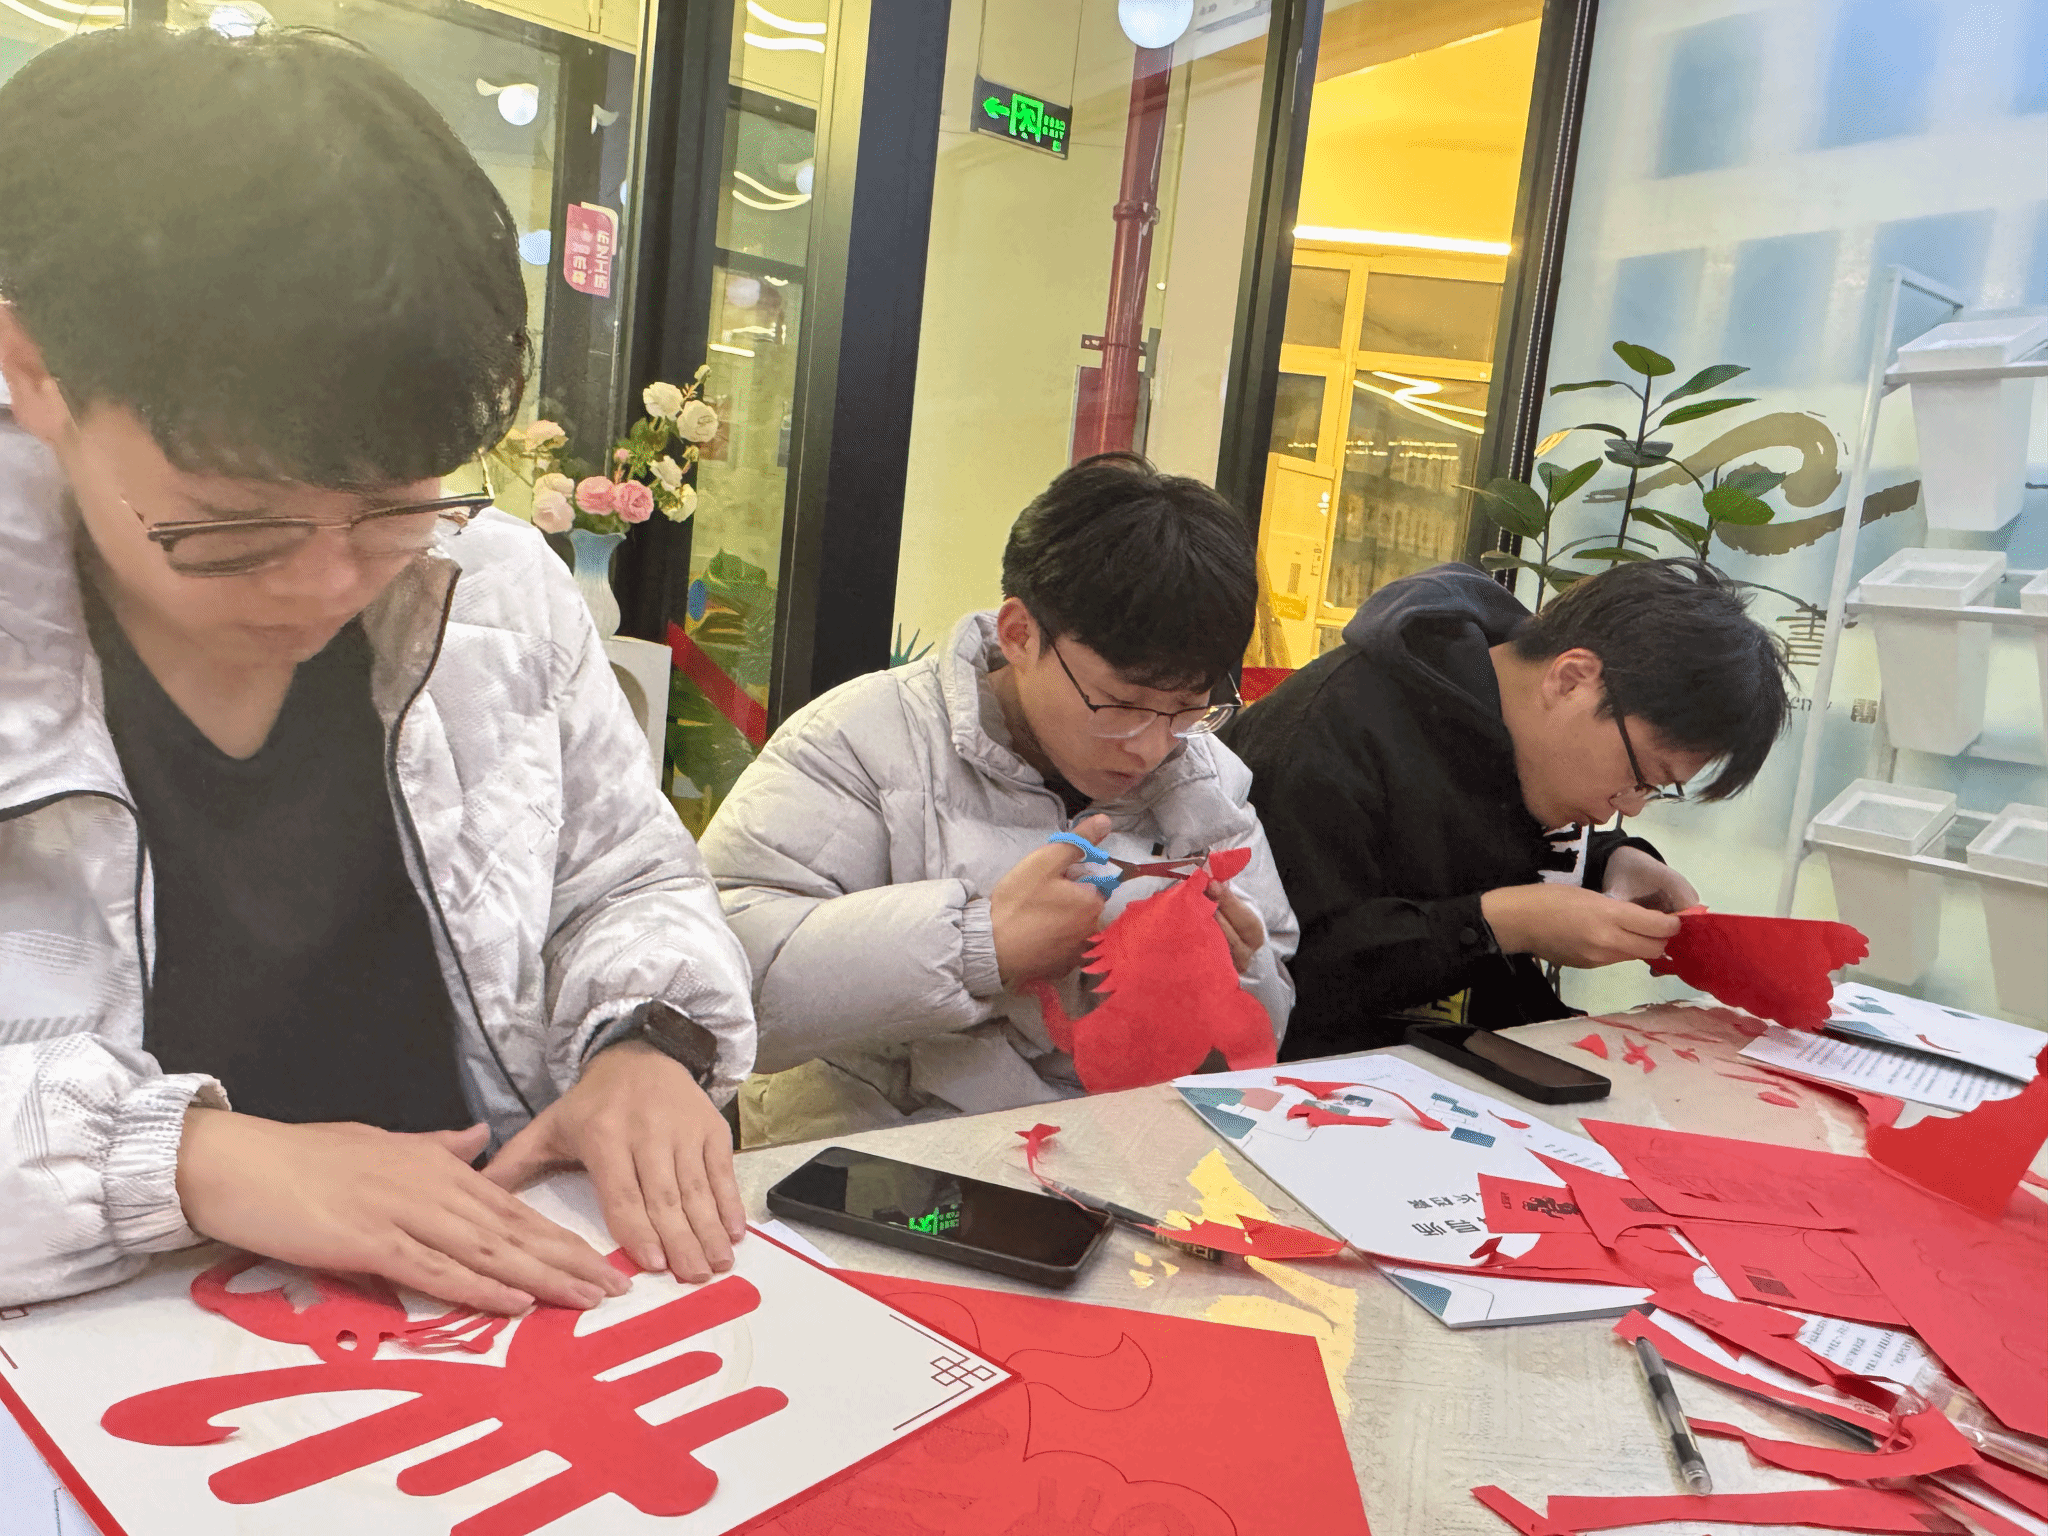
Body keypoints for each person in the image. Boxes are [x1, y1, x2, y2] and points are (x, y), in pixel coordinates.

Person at [0, 26, 757, 1313]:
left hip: (481, 1321)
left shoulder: (492, 591)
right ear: (34, 371)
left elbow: (624, 882)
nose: (326, 582)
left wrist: (647, 1043)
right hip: (98, 1350)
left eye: (393, 504)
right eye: (235, 526)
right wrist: (185, 1161)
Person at [701, 454, 1297, 1145]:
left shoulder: (1206, 776)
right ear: (1019, 634)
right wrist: (979, 946)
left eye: (1190, 707)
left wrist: (1239, 973)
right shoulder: (860, 740)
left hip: (1118, 1154)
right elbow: (720, 982)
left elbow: (1265, 1015)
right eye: (1122, 704)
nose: (1151, 745)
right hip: (883, 1156)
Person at [1222, 557, 1792, 1058]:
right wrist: (1506, 924)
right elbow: (1288, 976)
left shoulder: (1521, 736)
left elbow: (1508, 844)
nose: (1631, 807)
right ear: (1571, 680)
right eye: (1640, 777)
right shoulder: (1326, 737)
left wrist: (1613, 862)